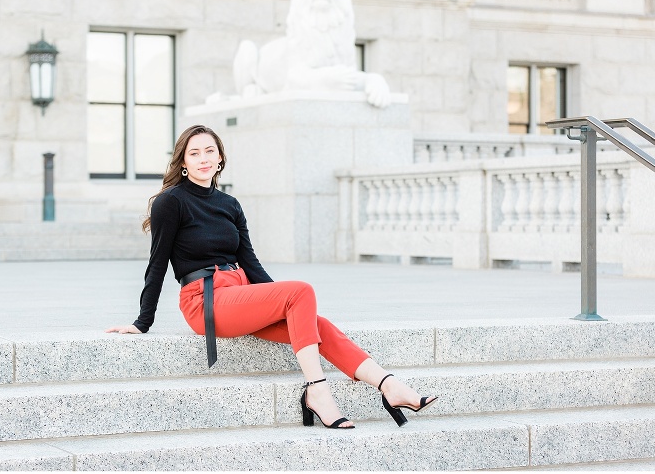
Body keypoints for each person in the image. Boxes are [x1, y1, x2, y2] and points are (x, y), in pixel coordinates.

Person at [106, 124, 437, 429]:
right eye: (194, 153)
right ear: (183, 162)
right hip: (205, 301)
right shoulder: (171, 202)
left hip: (241, 293)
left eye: (210, 151)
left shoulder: (230, 205)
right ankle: (318, 392)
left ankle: (388, 385)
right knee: (300, 291)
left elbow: (250, 263)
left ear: (220, 158)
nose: (203, 159)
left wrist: (284, 302)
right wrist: (142, 321)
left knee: (315, 322)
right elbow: (158, 261)